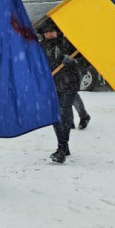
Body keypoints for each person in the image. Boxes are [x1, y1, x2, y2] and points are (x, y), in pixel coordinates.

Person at [39, 18, 80, 163]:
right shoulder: (40, 47)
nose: (49, 34)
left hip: (69, 84)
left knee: (64, 114)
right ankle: (64, 145)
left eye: (51, 31)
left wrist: (73, 62)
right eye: (46, 32)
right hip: (51, 86)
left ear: (57, 31)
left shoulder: (67, 43)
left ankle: (62, 147)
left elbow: (83, 59)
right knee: (56, 116)